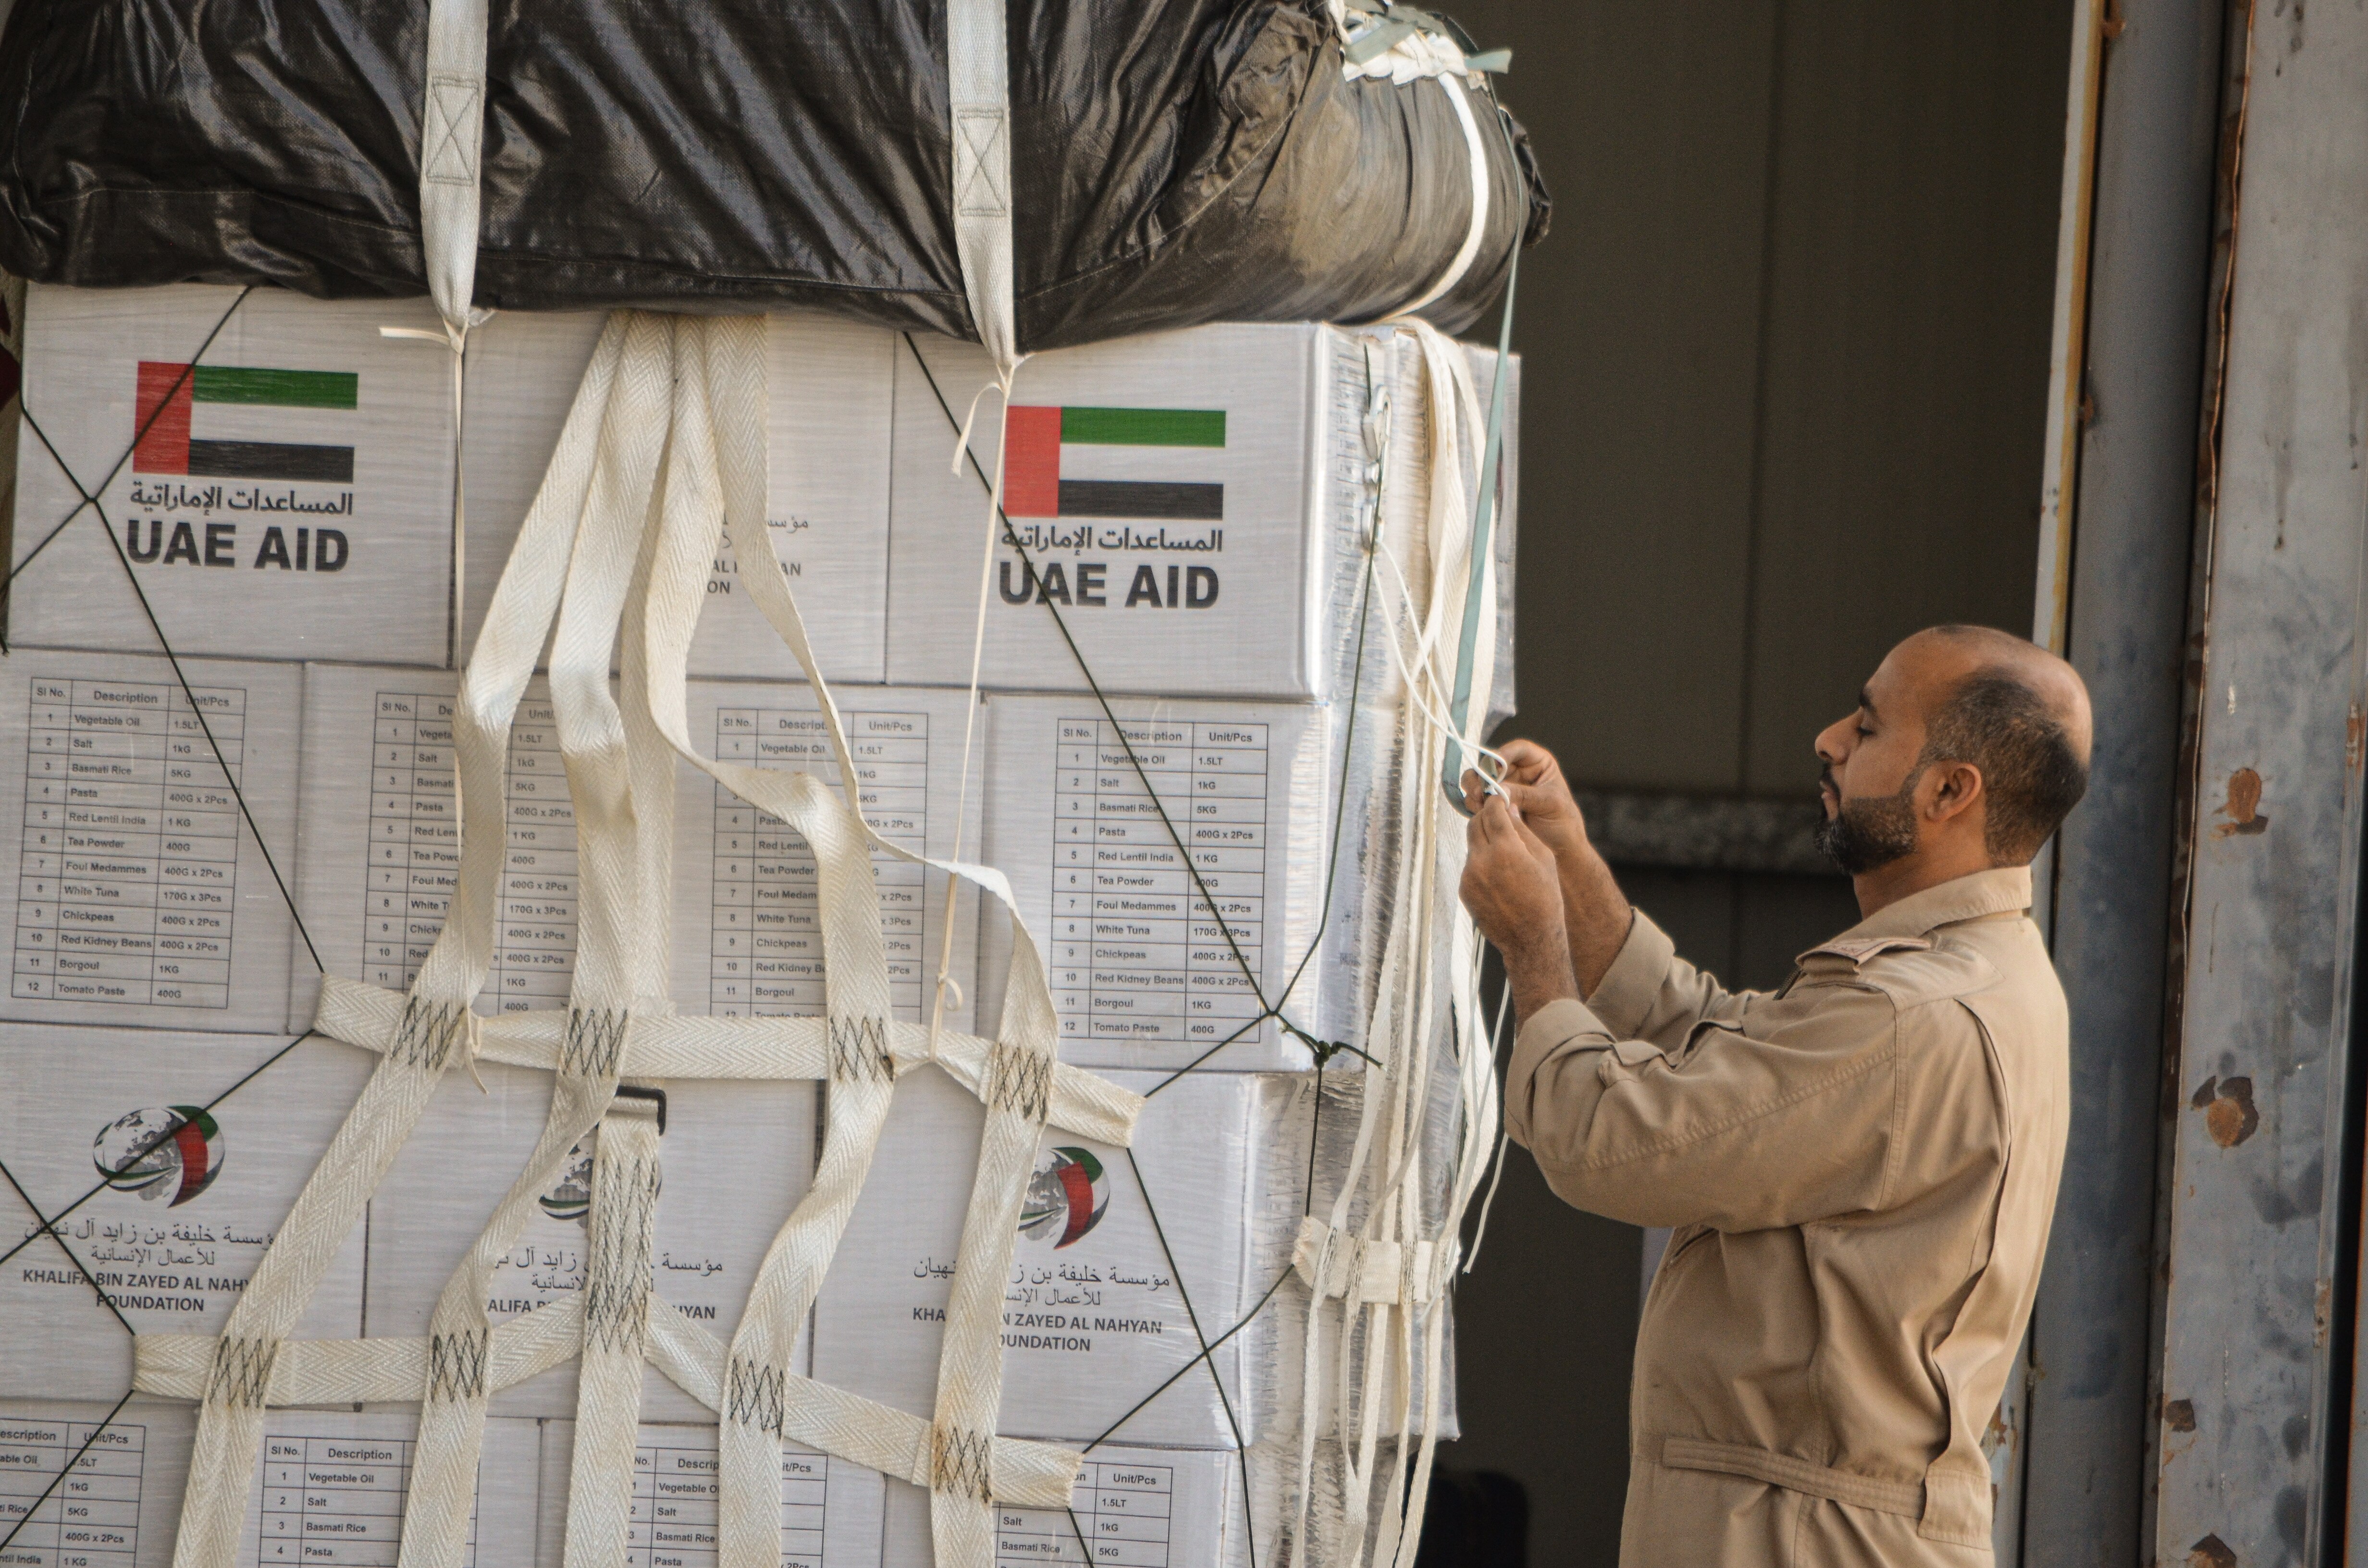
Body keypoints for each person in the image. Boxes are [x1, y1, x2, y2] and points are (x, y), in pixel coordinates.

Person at [1458, 625, 2091, 1566]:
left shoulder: (1911, 1013)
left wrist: (1534, 947)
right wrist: (1569, 864)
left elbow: (1610, 1143)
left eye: (1869, 727)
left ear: (1949, 791)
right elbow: (1720, 1054)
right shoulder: (1969, 973)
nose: (1829, 739)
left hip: (1806, 1540)